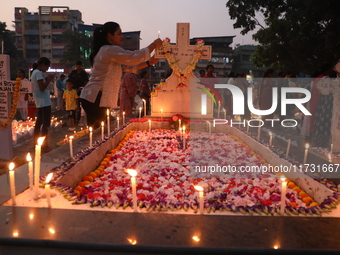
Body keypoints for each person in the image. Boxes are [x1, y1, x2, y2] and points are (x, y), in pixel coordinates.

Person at [80, 21, 162, 129]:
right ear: (110, 36)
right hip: (95, 98)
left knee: (101, 133)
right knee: (100, 134)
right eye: (119, 34)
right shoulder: (109, 50)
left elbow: (128, 68)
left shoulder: (108, 52)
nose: (122, 37)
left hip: (97, 99)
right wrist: (154, 44)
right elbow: (133, 56)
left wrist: (148, 63)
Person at [31, 57, 54, 151]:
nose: (47, 70)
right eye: (47, 67)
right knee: (45, 124)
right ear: (42, 65)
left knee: (39, 123)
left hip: (40, 101)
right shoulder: (38, 73)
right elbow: (42, 88)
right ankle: (44, 145)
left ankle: (36, 143)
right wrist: (49, 79)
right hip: (44, 102)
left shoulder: (34, 73)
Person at [69, 61, 89, 125]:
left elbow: (86, 82)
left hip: (81, 91)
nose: (78, 67)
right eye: (77, 66)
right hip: (73, 90)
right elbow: (69, 80)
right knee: (72, 105)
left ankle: (78, 119)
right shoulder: (73, 73)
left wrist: (81, 88)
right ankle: (73, 119)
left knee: (79, 105)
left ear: (81, 66)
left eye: (79, 66)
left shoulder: (84, 73)